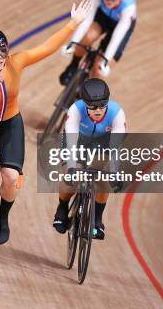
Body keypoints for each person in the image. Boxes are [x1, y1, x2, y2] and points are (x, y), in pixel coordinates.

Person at [0, 0, 92, 245]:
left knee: (11, 178)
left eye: (2, 51)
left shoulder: (16, 62)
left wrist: (73, 25)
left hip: (10, 123)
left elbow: (46, 48)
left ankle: (2, 219)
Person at [52, 78, 126, 240]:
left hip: (103, 143)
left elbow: (115, 145)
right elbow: (70, 140)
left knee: (103, 178)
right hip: (77, 141)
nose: (97, 110)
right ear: (84, 103)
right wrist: (71, 168)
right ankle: (62, 208)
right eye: (92, 106)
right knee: (72, 175)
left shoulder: (117, 113)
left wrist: (114, 172)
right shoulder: (75, 110)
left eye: (102, 105)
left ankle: (97, 219)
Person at [59, 0, 136, 85]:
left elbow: (117, 37)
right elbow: (86, 21)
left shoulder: (128, 8)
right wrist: (73, 43)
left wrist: (106, 60)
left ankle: (91, 96)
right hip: (103, 16)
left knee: (98, 69)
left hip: (121, 26)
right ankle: (73, 65)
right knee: (87, 37)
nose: (107, 1)